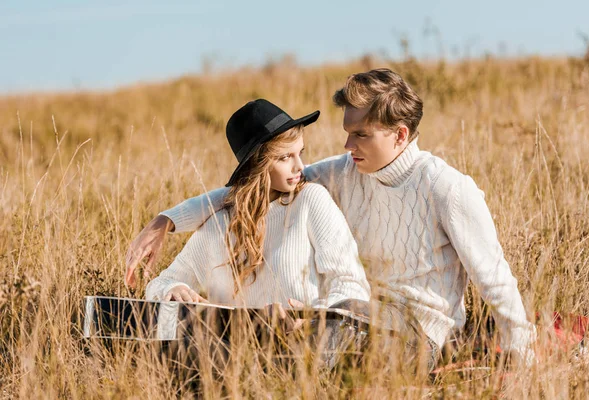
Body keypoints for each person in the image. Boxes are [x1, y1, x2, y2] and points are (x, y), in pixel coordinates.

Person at [128, 69, 536, 371]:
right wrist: (167, 220)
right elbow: (252, 189)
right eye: (347, 132)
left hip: (420, 336)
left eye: (361, 134)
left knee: (318, 335)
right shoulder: (343, 170)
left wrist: (523, 360)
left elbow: (494, 279)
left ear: (399, 134)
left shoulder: (447, 188)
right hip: (349, 320)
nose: (347, 144)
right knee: (288, 334)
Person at [144, 99, 370, 313]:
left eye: (299, 153)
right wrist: (171, 290)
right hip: (236, 350)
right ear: (257, 165)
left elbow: (352, 285)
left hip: (309, 348)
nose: (300, 166)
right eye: (284, 158)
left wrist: (312, 318)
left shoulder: (311, 201)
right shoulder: (219, 224)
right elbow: (160, 284)